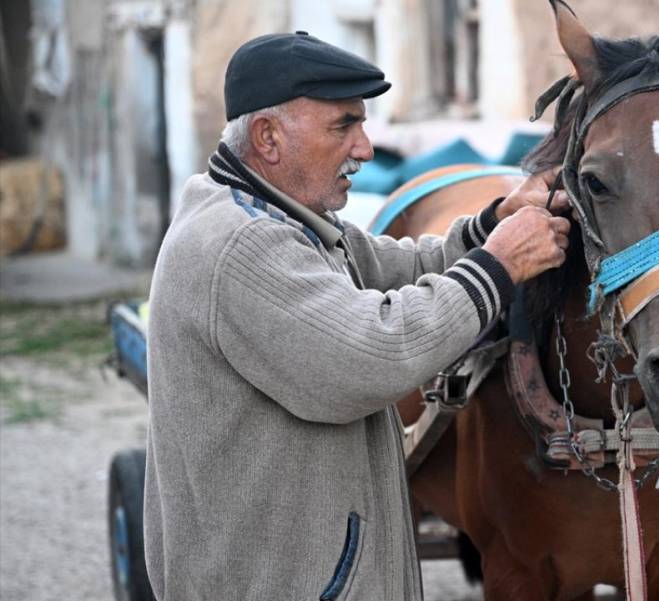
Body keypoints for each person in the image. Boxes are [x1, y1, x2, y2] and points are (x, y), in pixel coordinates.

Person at [143, 31, 570, 601]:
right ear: (268, 137)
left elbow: (400, 266)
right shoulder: (242, 245)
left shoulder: (278, 216)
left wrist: (491, 225)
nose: (366, 148)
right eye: (344, 125)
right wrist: (499, 266)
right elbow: (373, 355)